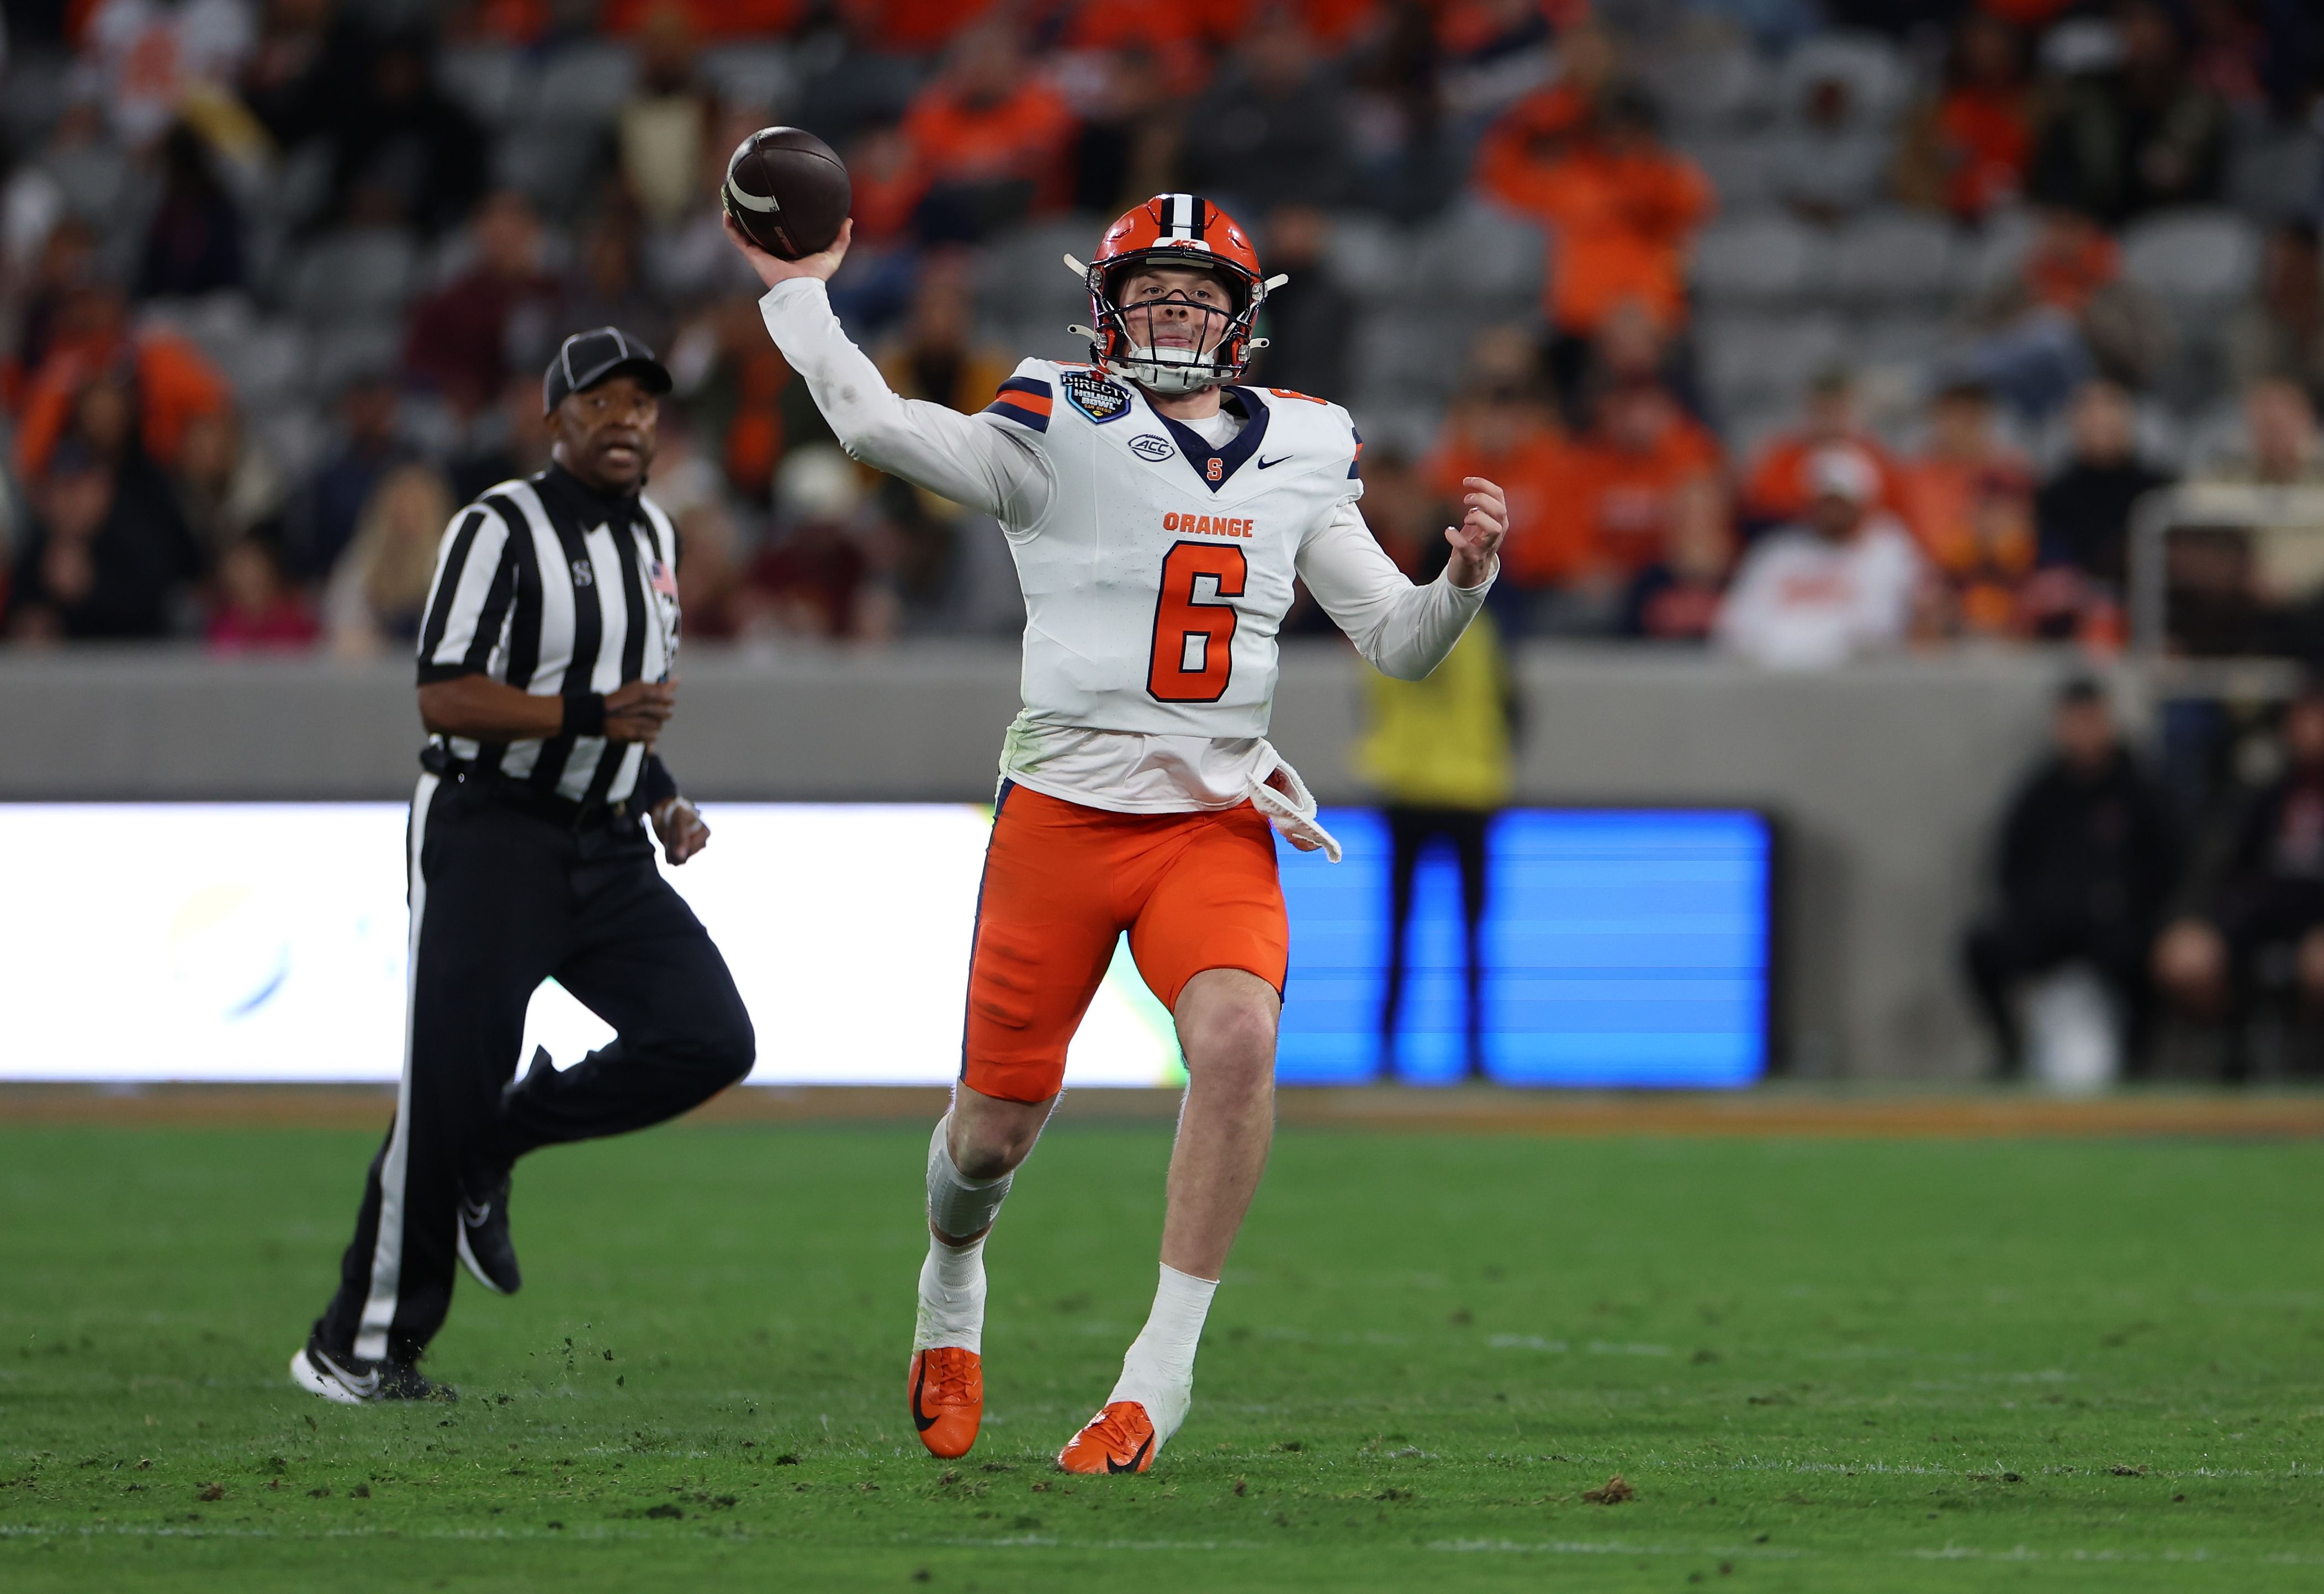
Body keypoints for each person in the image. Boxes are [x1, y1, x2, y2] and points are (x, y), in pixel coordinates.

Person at [733, 193, 1505, 1473]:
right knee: (987, 1138)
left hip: (1208, 820)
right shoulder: (1055, 420)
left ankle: (1160, 1376)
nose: (1173, 313)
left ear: (1242, 319)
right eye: (1150, 291)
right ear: (1104, 308)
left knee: (1242, 1037)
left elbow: (1401, 643)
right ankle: (949, 1286)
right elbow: (870, 425)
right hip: (1060, 819)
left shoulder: (1306, 447)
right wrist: (797, 287)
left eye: (1199, 295)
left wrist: (1463, 580)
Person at [291, 327, 754, 1405]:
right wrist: (592, 718)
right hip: (489, 832)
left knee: (708, 1037)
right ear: (555, 418)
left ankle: (501, 1138)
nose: (628, 421)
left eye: (644, 404)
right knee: (440, 1089)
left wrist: (660, 793)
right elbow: (445, 693)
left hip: (604, 842)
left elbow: (624, 701)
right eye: (603, 402)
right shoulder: (498, 527)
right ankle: (353, 1349)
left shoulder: (654, 534)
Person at [1962, 679, 2178, 1077]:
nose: (2082, 733)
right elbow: (2009, 865)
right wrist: (2034, 909)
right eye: (2072, 722)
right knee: (1982, 945)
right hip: (2050, 928)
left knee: (2149, 954)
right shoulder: (2040, 792)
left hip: (2117, 929)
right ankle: (2008, 1050)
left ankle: (2136, 1058)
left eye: (2090, 720)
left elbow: (2166, 865)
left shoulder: (2139, 789)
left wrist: (2130, 908)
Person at [1356, 594, 1515, 1080]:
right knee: (1471, 932)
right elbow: (1509, 705)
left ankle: (1385, 1053)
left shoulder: (1392, 619)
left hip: (1406, 788)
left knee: (1399, 929)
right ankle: (1475, 1055)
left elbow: (1372, 702)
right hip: (1470, 790)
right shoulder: (1485, 627)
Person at [1714, 444, 1923, 669]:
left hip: (1856, 683)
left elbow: (1880, 629)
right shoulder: (1778, 552)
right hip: (1776, 683)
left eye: (1840, 501)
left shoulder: (1888, 548)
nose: (1831, 510)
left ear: (1863, 501)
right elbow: (1735, 628)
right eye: (1824, 500)